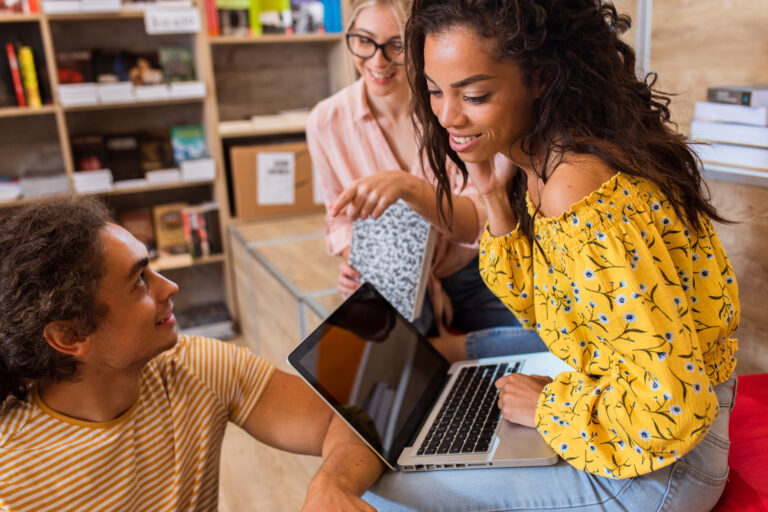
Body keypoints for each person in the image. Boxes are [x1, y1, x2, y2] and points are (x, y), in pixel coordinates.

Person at [361, 0, 739, 510]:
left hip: (663, 465)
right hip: (629, 423)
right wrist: (494, 195)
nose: (447, 115)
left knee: (382, 493)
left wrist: (550, 405)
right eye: (432, 90)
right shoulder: (551, 153)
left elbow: (670, 408)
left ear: (539, 77)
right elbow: (547, 311)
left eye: (474, 94)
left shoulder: (575, 187)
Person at [0, 196, 382, 512]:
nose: (170, 287)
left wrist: (334, 483)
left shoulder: (197, 365)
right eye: (139, 281)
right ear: (69, 335)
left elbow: (353, 418)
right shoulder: (12, 482)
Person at [306, 0, 542, 363]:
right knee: (382, 370)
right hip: (400, 279)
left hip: (472, 268)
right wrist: (360, 269)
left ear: (419, 46)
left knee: (555, 335)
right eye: (364, 41)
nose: (377, 62)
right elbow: (339, 220)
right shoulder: (326, 121)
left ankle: (448, 350)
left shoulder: (454, 109)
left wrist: (409, 187)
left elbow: (478, 222)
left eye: (395, 46)